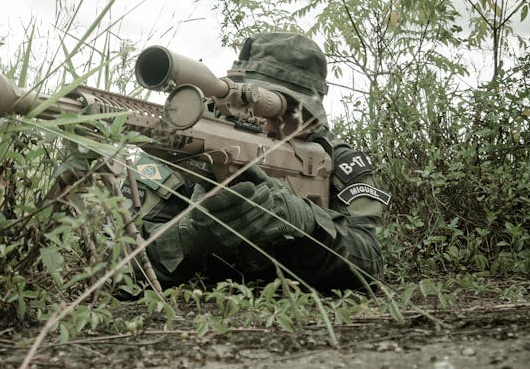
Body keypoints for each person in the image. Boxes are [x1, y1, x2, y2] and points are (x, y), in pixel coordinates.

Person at [139, 32, 389, 291]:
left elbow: (369, 261)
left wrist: (306, 223)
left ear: (312, 118)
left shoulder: (336, 158)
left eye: (289, 112)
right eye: (255, 109)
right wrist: (191, 236)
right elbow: (119, 264)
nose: (266, 122)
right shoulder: (188, 141)